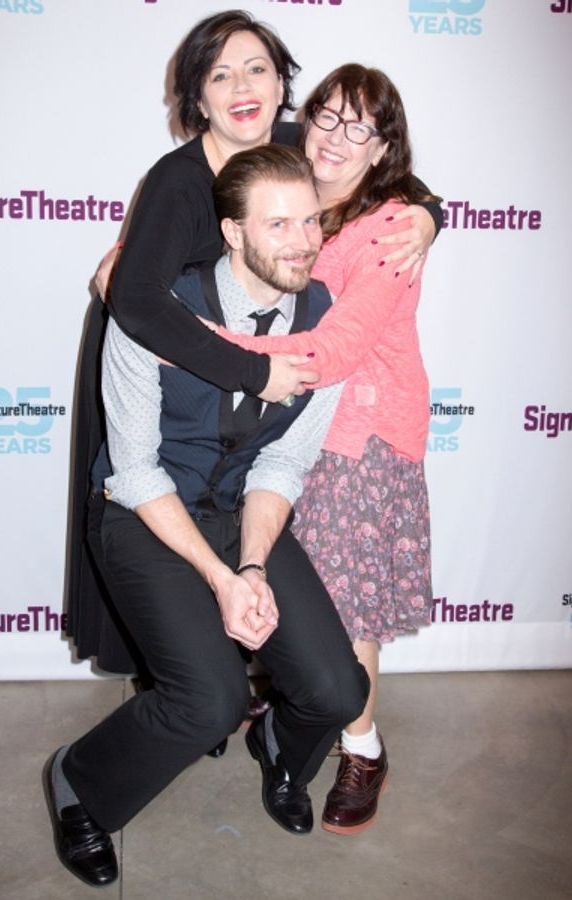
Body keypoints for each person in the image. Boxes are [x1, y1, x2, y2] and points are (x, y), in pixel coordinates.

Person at [67, 13, 440, 672]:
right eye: (220, 74)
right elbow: (142, 302)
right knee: (163, 504)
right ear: (197, 98)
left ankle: (225, 676)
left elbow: (374, 167)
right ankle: (193, 686)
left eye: (257, 68)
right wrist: (248, 369)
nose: (242, 85)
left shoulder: (297, 140)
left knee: (246, 509)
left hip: (255, 361)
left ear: (281, 85)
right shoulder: (178, 180)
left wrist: (427, 213)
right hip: (161, 347)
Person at [45, 145, 369, 888]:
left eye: (311, 221)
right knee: (211, 699)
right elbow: (134, 471)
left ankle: (282, 752)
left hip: (243, 509)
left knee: (338, 689)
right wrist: (222, 581)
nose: (304, 240)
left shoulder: (325, 323)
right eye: (279, 223)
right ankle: (80, 785)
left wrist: (252, 564)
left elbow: (283, 464)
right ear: (232, 231)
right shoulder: (159, 309)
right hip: (144, 514)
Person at [215, 64, 436, 835]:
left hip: (359, 439)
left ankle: (362, 747)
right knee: (294, 591)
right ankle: (287, 707)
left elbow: (336, 348)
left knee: (348, 610)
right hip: (292, 428)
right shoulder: (298, 190)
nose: (337, 138)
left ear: (383, 149)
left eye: (361, 128)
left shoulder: (390, 227)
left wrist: (206, 344)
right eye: (327, 118)